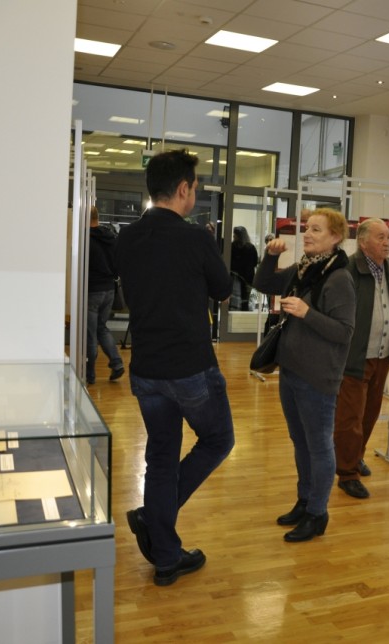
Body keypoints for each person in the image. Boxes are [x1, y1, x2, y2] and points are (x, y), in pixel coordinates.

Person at [115, 149, 235, 586]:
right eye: (195, 188)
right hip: (190, 368)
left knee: (161, 456)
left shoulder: (127, 237)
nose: (194, 195)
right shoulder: (195, 238)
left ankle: (166, 558)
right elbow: (223, 290)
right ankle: (154, 517)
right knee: (218, 439)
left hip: (146, 368)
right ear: (183, 189)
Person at [253, 207, 355, 542]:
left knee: (319, 446)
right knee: (301, 442)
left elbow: (344, 332)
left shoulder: (338, 278)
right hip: (292, 371)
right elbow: (263, 283)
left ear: (335, 237)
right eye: (307, 228)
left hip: (318, 378)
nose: (307, 234)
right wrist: (270, 257)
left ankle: (317, 513)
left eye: (316, 230)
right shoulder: (303, 269)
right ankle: (305, 501)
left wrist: (307, 312)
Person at [334, 218, 389, 499]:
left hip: (382, 353)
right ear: (363, 242)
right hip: (356, 354)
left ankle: (356, 455)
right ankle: (347, 473)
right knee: (350, 416)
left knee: (371, 412)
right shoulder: (348, 269)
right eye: (380, 237)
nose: (387, 242)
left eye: (388, 237)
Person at [86, 206, 124, 385]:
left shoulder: (85, 239)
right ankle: (116, 363)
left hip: (92, 290)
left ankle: (89, 374)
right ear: (98, 217)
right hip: (109, 289)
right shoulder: (111, 238)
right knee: (101, 328)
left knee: (90, 333)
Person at [230, 226, 258, 311]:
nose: (233, 236)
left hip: (235, 276)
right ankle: (244, 314)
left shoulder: (232, 246)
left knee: (234, 300)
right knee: (245, 300)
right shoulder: (251, 247)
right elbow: (255, 262)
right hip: (248, 278)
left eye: (234, 234)